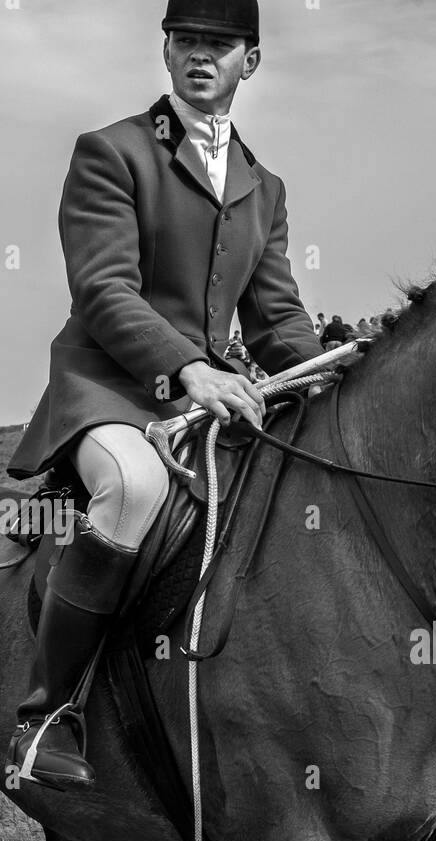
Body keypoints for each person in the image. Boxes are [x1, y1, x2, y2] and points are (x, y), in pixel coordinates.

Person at [5, 0, 324, 789]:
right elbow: (107, 291)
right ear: (168, 52)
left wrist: (329, 377)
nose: (200, 56)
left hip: (201, 403)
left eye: (218, 44)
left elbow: (276, 315)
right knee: (135, 488)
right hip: (108, 389)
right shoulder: (111, 152)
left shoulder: (265, 187)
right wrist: (190, 369)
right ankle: (47, 717)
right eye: (186, 41)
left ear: (250, 60)